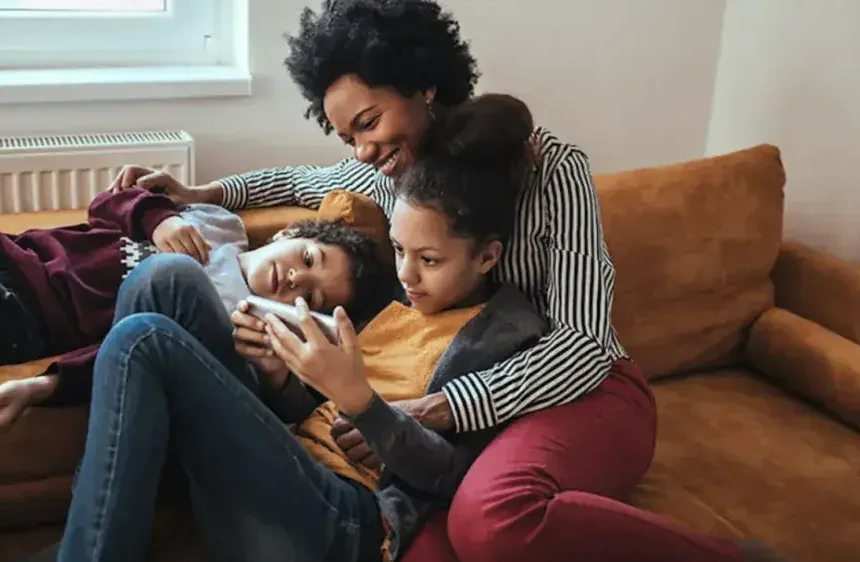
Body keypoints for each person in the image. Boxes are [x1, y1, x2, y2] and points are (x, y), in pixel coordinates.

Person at [110, 2, 793, 560]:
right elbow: (305, 179)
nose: (363, 150)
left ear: (425, 86)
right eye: (348, 134)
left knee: (489, 523)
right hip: (483, 402)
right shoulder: (402, 180)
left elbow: (585, 343)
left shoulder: (549, 169)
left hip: (586, 387)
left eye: (370, 123)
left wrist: (438, 408)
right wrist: (206, 188)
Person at [54, 93, 549, 562]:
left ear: (487, 256)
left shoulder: (508, 335)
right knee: (168, 276)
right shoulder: (391, 296)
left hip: (341, 517)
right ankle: (103, 525)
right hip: (285, 461)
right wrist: (279, 379)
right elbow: (310, 408)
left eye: (430, 259)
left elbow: (453, 477)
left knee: (144, 339)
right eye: (400, 250)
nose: (407, 274)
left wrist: (365, 405)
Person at [0, 211, 384, 435]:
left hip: (21, 309)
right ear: (286, 233)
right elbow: (108, 205)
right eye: (308, 259)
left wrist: (45, 384)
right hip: (5, 251)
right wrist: (160, 218)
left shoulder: (239, 326)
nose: (294, 279)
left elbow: (133, 349)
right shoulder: (220, 227)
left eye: (309, 297)